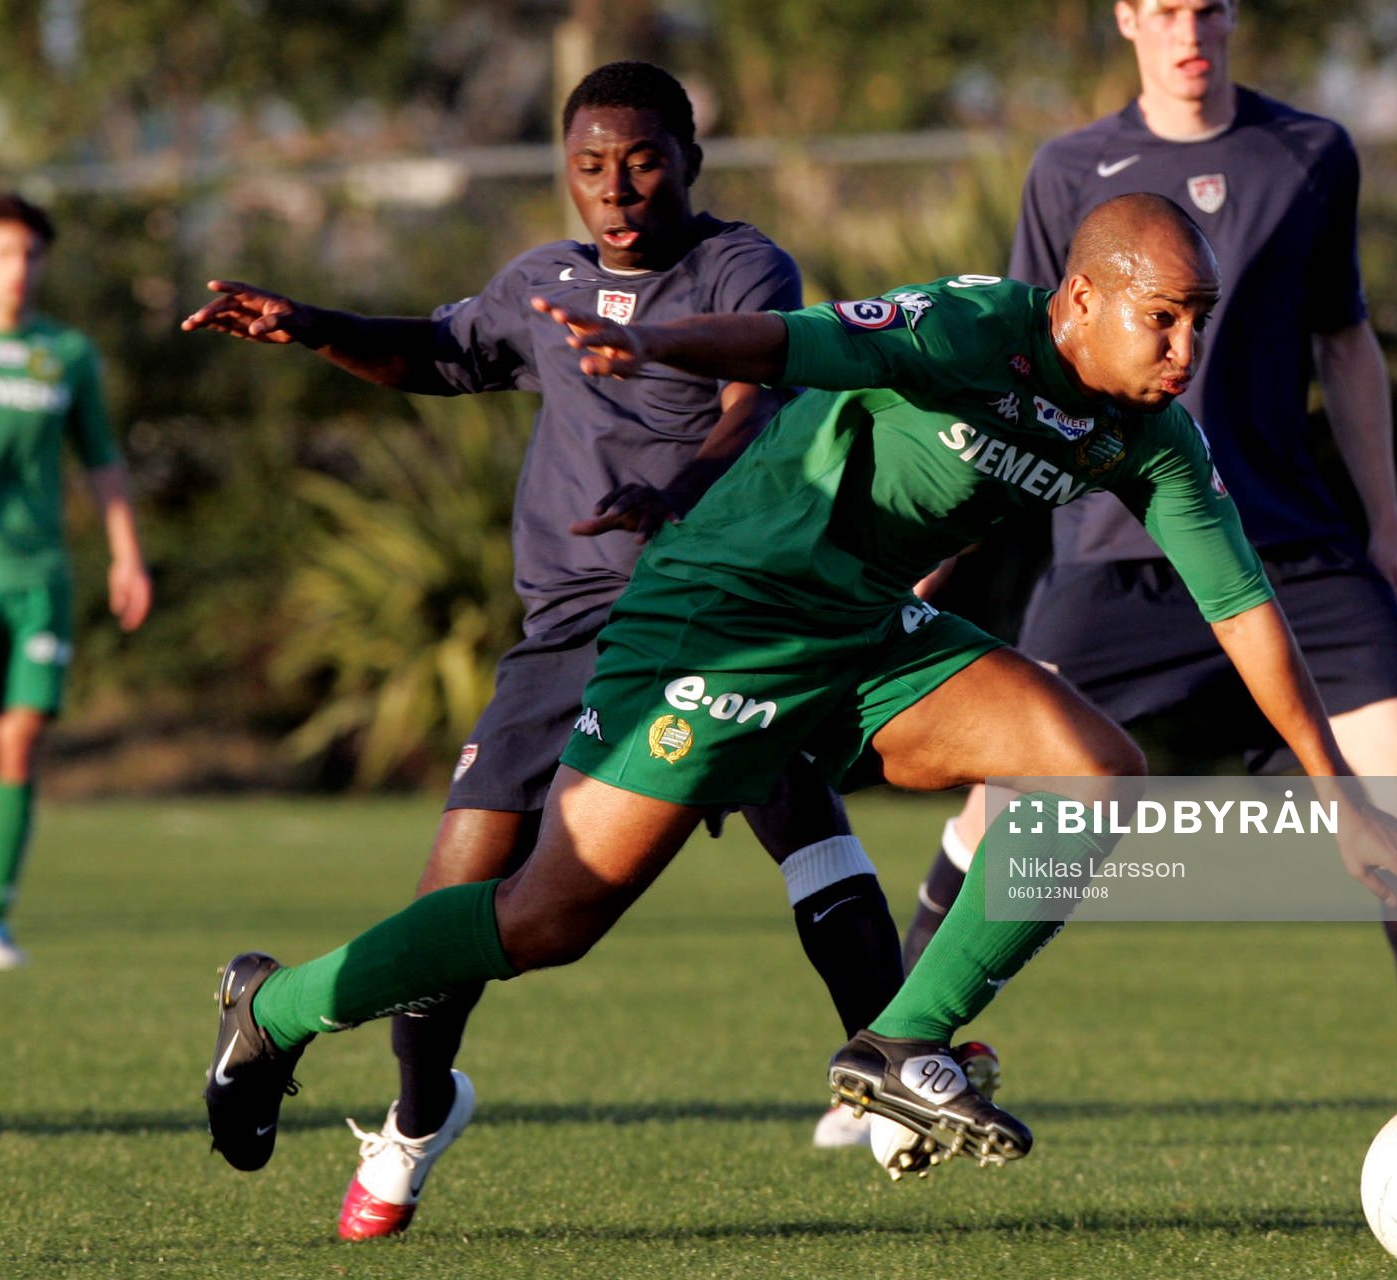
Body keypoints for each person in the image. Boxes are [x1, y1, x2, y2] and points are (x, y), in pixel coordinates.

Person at [198, 192, 1397, 1196]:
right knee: (546, 919)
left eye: (1201, 320)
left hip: (863, 629)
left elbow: (1245, 611)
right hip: (721, 614)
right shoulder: (972, 328)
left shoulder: (1152, 436)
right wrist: (652, 343)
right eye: (1165, 319)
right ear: (1082, 299)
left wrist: (1341, 795)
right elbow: (792, 342)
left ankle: (899, 1040)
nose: (1187, 350)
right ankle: (278, 1006)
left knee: (1095, 770)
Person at [183, 62, 911, 1237]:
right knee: (457, 898)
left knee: (803, 815)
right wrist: (309, 325)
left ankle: (890, 1063)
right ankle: (417, 1113)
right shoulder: (542, 282)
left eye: (643, 161)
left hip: (709, 610)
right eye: (590, 166)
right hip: (566, 630)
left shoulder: (742, 268)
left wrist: (675, 495)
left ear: (689, 161)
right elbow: (436, 351)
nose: (616, 188)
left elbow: (755, 401)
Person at [899, 0, 1397, 1155]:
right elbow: (1018, 364)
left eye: (1208, 6)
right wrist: (941, 547)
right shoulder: (1068, 168)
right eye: (1164, 7)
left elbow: (1346, 343)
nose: (1189, 29)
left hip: (1292, 547)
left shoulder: (1311, 152)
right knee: (1005, 802)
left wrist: (1386, 527)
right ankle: (891, 1055)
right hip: (1114, 551)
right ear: (1127, 18)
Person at [0, 192, 151, 971]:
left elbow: (102, 461)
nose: (19, 268)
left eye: (32, 254)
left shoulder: (66, 353)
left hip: (37, 579)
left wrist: (127, 555)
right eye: (4, 252)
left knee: (19, 742)